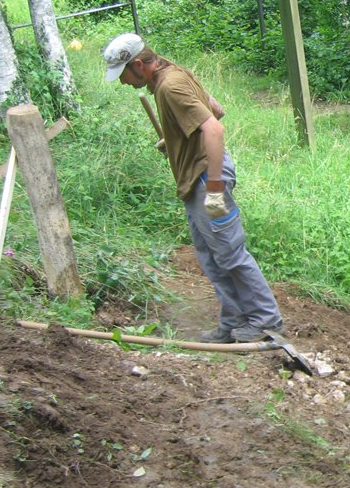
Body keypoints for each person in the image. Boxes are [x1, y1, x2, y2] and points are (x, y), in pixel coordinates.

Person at [103, 33, 283, 343]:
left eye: (123, 75)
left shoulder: (170, 87)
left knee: (230, 254)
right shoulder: (174, 72)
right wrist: (176, 141)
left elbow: (214, 127)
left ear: (138, 65)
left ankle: (266, 321)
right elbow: (215, 108)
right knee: (212, 257)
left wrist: (213, 188)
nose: (122, 83)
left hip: (206, 180)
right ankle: (234, 322)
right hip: (197, 179)